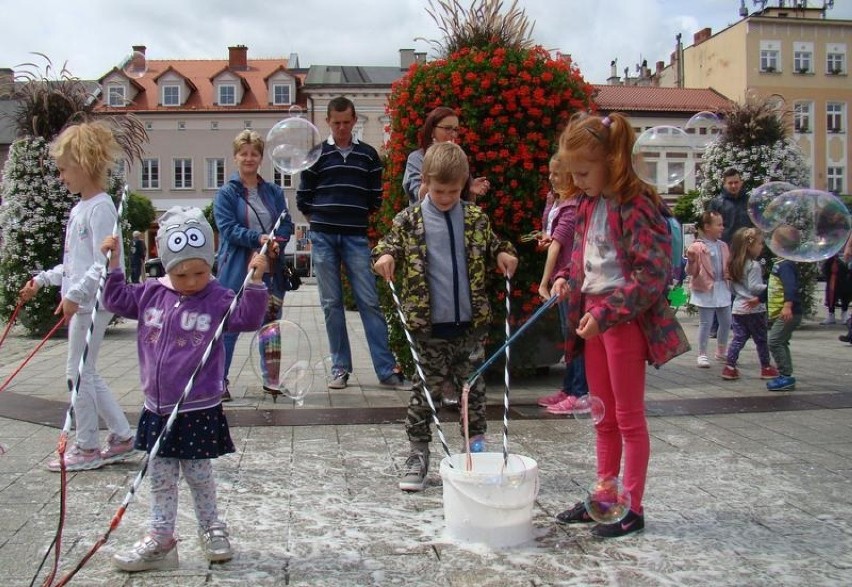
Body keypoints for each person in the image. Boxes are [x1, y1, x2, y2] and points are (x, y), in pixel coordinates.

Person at [101, 207, 268, 572]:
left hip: (196, 407)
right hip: (157, 407)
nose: (191, 281)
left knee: (198, 473)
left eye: (200, 272)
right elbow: (114, 300)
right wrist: (114, 263)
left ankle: (212, 528)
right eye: (181, 274)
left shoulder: (218, 297)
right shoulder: (150, 295)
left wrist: (255, 282)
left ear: (211, 264)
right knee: (161, 477)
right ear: (165, 265)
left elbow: (248, 318)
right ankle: (162, 538)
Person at [550, 113, 689, 538]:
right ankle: (605, 497)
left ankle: (633, 505)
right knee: (603, 414)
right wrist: (564, 279)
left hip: (622, 320)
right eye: (572, 173)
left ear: (612, 160)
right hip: (592, 316)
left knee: (628, 417)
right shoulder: (590, 201)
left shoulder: (639, 203)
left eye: (584, 172)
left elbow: (652, 274)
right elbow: (585, 258)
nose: (577, 181)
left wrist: (606, 313)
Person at [373, 141, 518, 492]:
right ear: (424, 180)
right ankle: (418, 453)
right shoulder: (408, 220)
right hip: (428, 325)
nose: (445, 197)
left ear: (464, 184)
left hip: (470, 324)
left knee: (475, 390)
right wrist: (385, 258)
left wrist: (504, 255)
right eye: (439, 190)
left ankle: (476, 450)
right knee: (427, 391)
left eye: (453, 191)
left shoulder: (475, 218)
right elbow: (385, 245)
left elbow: (495, 245)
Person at [18, 121, 134, 472]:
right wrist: (42, 280)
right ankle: (122, 435)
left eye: (64, 169)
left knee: (78, 371)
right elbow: (74, 263)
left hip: (93, 302)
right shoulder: (80, 208)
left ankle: (86, 446)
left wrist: (77, 295)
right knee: (87, 371)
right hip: (85, 301)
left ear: (84, 164)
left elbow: (103, 262)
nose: (61, 176)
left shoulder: (101, 208)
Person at [296, 96, 410, 391]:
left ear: (355, 120)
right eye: (337, 123)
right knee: (331, 304)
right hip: (323, 235)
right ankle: (340, 368)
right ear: (328, 122)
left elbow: (375, 199)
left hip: (356, 236)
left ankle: (386, 370)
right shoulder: (316, 153)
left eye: (347, 122)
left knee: (369, 301)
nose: (342, 128)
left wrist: (352, 218)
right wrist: (321, 220)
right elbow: (303, 198)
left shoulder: (369, 156)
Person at [214, 129, 294, 401]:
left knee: (270, 326)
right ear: (236, 157)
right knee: (229, 326)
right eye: (243, 153)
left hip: (270, 270)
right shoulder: (226, 194)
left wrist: (276, 243)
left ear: (261, 158)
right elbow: (228, 229)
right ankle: (219, 382)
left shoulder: (272, 191)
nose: (249, 158)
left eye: (254, 154)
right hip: (237, 270)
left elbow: (286, 222)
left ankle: (272, 380)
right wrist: (257, 238)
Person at [535, 155, 589, 414]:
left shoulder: (572, 207)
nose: (551, 179)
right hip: (562, 279)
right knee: (568, 338)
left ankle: (579, 392)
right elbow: (550, 234)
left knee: (575, 338)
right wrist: (549, 203)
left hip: (570, 280)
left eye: (556, 174)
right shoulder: (560, 203)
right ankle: (569, 388)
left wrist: (543, 283)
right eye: (550, 174)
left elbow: (557, 245)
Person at [721, 228, 779, 381]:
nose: (762, 247)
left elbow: (732, 288)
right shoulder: (754, 265)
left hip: (739, 308)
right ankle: (766, 368)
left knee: (738, 338)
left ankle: (730, 367)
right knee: (761, 339)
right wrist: (768, 286)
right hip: (755, 309)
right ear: (749, 246)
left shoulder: (734, 264)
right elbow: (754, 287)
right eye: (760, 244)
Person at [402, 106, 490, 205]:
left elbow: (467, 205)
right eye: (447, 128)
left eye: (455, 130)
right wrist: (438, 159)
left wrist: (470, 189)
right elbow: (419, 197)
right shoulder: (417, 158)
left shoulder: (458, 157)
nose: (453, 134)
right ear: (432, 131)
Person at [685, 211, 732, 368]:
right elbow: (690, 272)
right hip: (705, 288)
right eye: (718, 224)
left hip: (722, 287)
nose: (722, 227)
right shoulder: (697, 247)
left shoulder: (723, 246)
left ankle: (721, 351)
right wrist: (691, 261)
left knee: (726, 321)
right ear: (707, 227)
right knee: (706, 322)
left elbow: (728, 266)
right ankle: (702, 354)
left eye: (722, 224)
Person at [765, 253, 803, 392]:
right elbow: (772, 287)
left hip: (788, 312)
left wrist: (787, 306)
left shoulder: (786, 265)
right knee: (781, 341)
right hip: (783, 312)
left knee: (774, 341)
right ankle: (786, 375)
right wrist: (759, 298)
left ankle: (786, 376)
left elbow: (790, 286)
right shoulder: (779, 263)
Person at [709, 168, 752, 245]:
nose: (733, 185)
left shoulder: (750, 202)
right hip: (725, 248)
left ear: (741, 183)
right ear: (724, 184)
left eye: (736, 182)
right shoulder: (716, 203)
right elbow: (710, 227)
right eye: (730, 183)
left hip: (746, 247)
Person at [819, 250, 851, 325]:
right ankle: (831, 314)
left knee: (846, 292)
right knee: (831, 293)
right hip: (833, 266)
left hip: (845, 267)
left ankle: (844, 313)